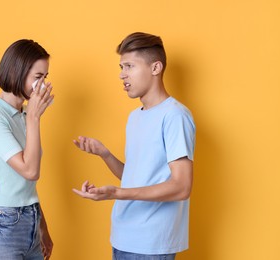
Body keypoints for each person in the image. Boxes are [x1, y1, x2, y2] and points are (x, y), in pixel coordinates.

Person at [73, 32, 196, 260]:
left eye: (129, 66)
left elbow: (182, 186)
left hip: (150, 243)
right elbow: (137, 178)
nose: (122, 75)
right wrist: (105, 154)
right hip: (122, 236)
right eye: (121, 67)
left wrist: (118, 193)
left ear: (155, 68)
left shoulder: (175, 116)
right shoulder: (135, 117)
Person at [0, 39, 54, 260]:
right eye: (38, 78)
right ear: (17, 72)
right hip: (2, 225)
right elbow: (30, 171)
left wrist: (41, 226)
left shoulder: (24, 115)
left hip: (31, 220)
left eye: (45, 77)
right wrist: (34, 117)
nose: (43, 85)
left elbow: (26, 185)